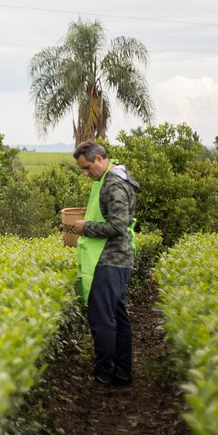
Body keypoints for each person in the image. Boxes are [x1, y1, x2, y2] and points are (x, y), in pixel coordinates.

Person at [71, 141, 140, 388]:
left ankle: (103, 375)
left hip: (110, 259)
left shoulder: (113, 184)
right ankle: (122, 373)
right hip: (116, 259)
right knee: (117, 317)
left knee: (102, 320)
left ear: (99, 159)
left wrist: (85, 227)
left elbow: (118, 226)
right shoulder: (111, 178)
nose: (85, 173)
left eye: (87, 167)